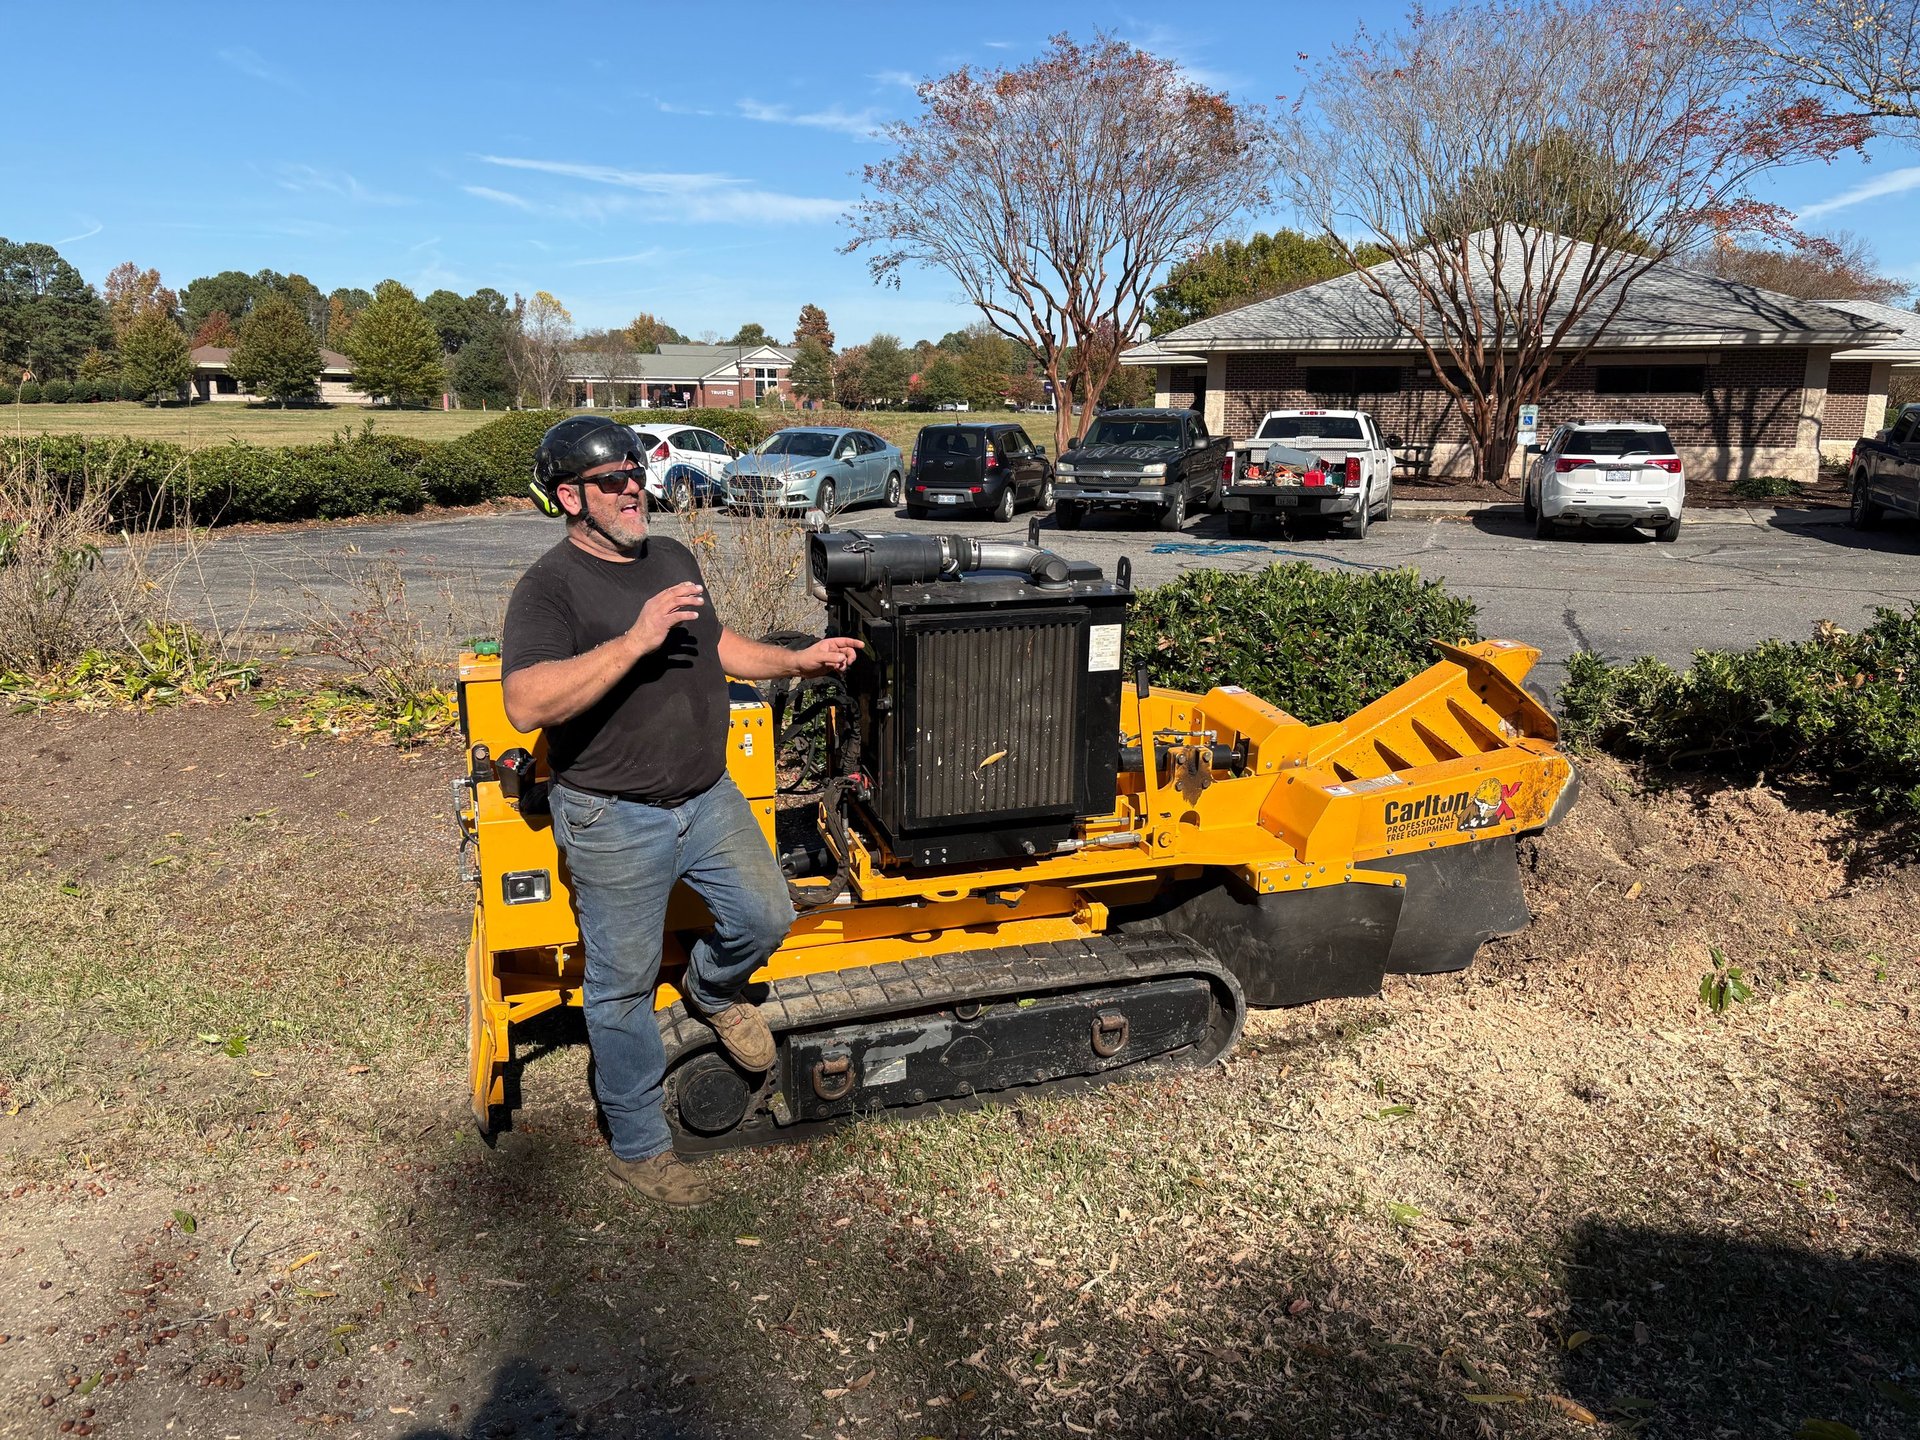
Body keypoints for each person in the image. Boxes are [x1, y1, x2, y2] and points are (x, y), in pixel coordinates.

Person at [500, 416, 858, 1208]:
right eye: (611, 481)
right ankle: (638, 1145)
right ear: (570, 497)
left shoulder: (671, 556)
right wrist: (632, 640)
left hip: (707, 796)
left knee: (766, 917)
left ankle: (713, 989)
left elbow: (716, 644)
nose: (634, 488)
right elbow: (524, 703)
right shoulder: (548, 588)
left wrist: (796, 658)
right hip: (612, 814)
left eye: (636, 472)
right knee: (621, 989)